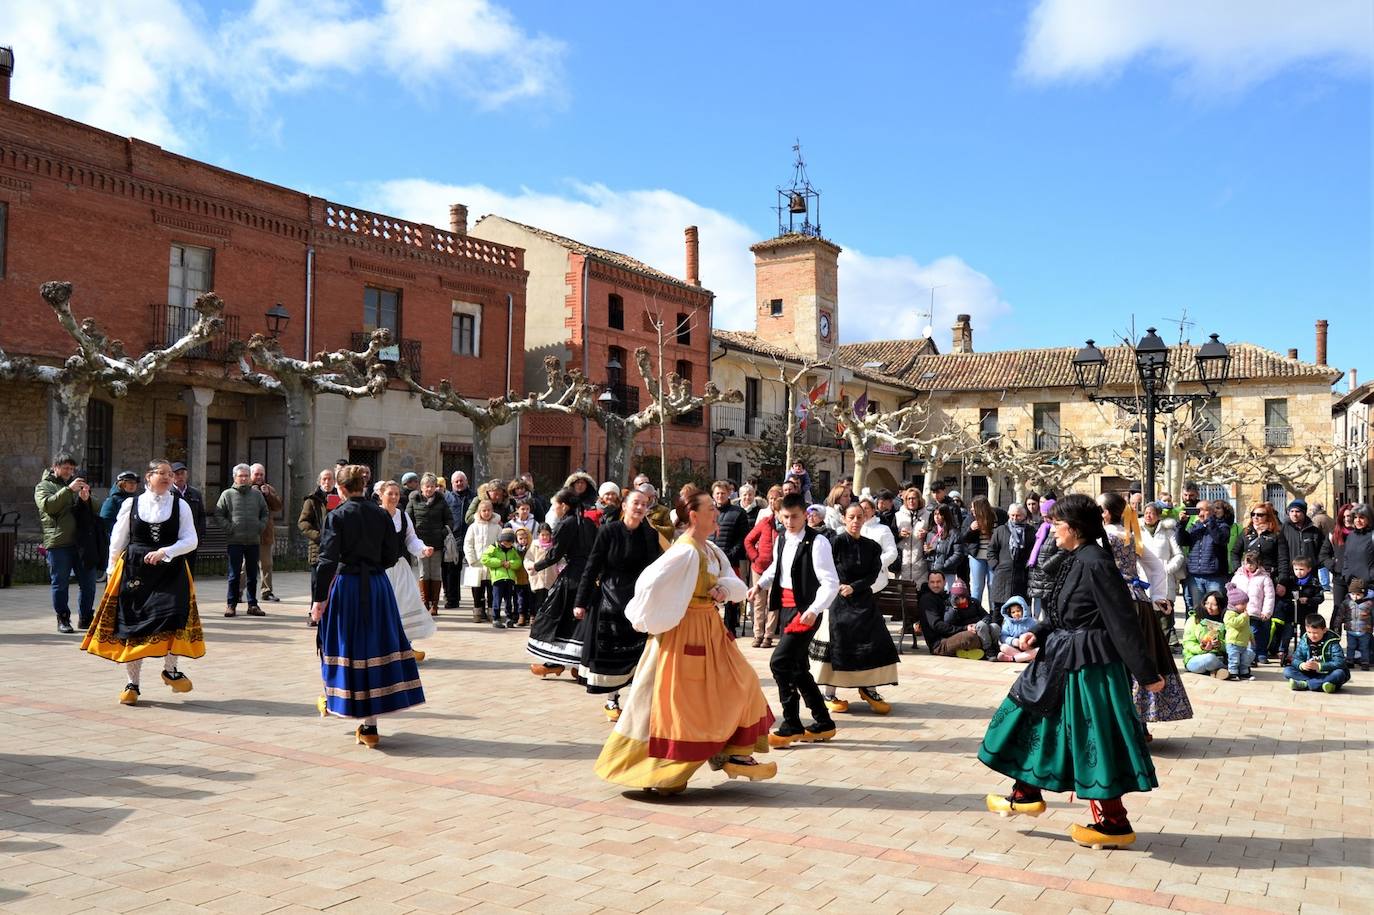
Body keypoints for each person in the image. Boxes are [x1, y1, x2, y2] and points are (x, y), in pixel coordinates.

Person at [979, 493, 1165, 850]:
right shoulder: (1075, 557)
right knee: (1037, 722)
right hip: (1060, 658)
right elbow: (1068, 610)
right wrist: (1042, 629)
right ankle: (1025, 793)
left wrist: (1146, 672)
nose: (1051, 531)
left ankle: (1113, 823)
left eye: (1057, 525)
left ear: (1075, 528)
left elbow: (1121, 621)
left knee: (1091, 740)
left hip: (1088, 667)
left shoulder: (1096, 562)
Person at [594, 488, 777, 794]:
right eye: (710, 510)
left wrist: (721, 590)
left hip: (711, 630)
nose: (716, 514)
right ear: (694, 516)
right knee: (680, 704)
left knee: (742, 682)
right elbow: (648, 583)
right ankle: (666, 770)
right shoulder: (685, 551)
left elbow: (734, 582)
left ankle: (732, 750)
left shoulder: (709, 549)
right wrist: (652, 618)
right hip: (684, 633)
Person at [310, 465, 423, 748]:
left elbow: (326, 560)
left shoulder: (337, 516)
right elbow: (390, 555)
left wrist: (318, 600)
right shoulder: (382, 515)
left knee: (344, 644)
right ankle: (370, 725)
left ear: (342, 489)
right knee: (376, 646)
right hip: (377, 586)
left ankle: (341, 701)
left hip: (348, 586)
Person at [82, 459, 203, 705]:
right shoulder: (131, 504)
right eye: (163, 473)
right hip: (136, 570)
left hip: (171, 570)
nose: (169, 477)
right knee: (134, 625)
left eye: (171, 474)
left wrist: (165, 551)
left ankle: (171, 670)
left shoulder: (181, 506)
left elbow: (191, 540)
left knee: (174, 617)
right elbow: (117, 539)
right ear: (148, 477)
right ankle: (132, 684)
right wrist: (111, 570)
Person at [752, 493, 840, 747]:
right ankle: (823, 722)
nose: (790, 522)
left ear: (806, 515)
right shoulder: (782, 539)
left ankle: (791, 723)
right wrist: (759, 585)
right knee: (798, 667)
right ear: (780, 515)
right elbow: (776, 569)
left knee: (779, 663)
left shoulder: (818, 542)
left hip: (806, 611)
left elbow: (830, 582)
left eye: (795, 517)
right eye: (786, 517)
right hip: (787, 610)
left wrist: (814, 609)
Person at [1100, 492, 1190, 734]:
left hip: (1113, 602)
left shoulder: (1103, 537)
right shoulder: (1130, 535)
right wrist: (1158, 596)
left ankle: (1119, 726)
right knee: (1139, 659)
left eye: (1099, 508)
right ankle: (1139, 725)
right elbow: (1156, 568)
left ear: (1107, 513)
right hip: (1139, 602)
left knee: (1114, 663)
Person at [574, 490, 664, 719]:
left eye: (645, 504)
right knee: (611, 652)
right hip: (610, 599)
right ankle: (612, 700)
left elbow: (657, 569)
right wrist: (581, 601)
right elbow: (592, 566)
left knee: (639, 653)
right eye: (636, 503)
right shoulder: (608, 531)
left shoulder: (649, 534)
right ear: (624, 505)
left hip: (639, 599)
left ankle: (638, 703)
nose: (640, 507)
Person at [812, 503, 899, 715]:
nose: (855, 521)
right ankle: (828, 693)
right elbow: (825, 569)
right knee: (836, 641)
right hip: (838, 600)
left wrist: (855, 587)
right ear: (844, 518)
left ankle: (869, 689)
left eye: (859, 517)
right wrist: (839, 586)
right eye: (851, 517)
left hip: (863, 599)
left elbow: (873, 574)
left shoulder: (872, 546)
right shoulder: (835, 542)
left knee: (875, 639)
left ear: (865, 518)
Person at [527, 488, 598, 677]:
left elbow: (555, 554)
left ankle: (554, 663)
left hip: (573, 576)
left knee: (555, 615)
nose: (554, 508)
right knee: (578, 620)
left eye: (555, 505)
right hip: (588, 576)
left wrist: (537, 565)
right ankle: (578, 665)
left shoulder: (566, 523)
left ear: (564, 505)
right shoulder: (589, 523)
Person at [36, 453, 100, 633]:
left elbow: (97, 508)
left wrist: (87, 498)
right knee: (60, 583)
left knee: (89, 583)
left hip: (82, 543)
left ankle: (86, 618)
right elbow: (48, 506)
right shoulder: (43, 486)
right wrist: (68, 490)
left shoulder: (77, 484)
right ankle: (63, 619)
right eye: (65, 468)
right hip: (58, 543)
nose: (69, 472)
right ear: (55, 467)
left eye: (72, 469)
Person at [376, 480, 436, 661]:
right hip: (380, 570)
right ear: (381, 495)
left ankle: (406, 646)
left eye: (396, 494)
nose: (394, 497)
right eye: (390, 494)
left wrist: (423, 549)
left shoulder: (402, 516)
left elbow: (411, 539)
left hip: (400, 567)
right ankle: (382, 649)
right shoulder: (375, 515)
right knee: (382, 608)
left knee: (407, 604)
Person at [215, 464, 268, 617]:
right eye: (241, 476)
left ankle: (253, 605)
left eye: (246, 475)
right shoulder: (227, 494)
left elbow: (265, 512)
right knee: (234, 575)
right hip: (235, 541)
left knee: (252, 575)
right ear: (235, 478)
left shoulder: (257, 495)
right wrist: (229, 528)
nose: (244, 478)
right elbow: (218, 514)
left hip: (253, 540)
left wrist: (260, 526)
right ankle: (231, 605)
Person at [406, 473, 453, 617]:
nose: (430, 489)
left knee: (435, 573)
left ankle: (435, 604)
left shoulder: (441, 501)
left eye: (432, 486)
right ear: (421, 487)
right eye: (427, 486)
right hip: (421, 544)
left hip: (437, 543)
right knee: (423, 573)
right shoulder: (414, 500)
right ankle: (424, 602)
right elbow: (408, 519)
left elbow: (449, 520)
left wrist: (442, 533)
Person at [743, 486, 783, 648]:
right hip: (759, 567)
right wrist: (755, 557)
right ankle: (757, 634)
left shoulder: (788, 527)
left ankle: (768, 635)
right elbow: (748, 540)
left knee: (772, 602)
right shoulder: (765, 523)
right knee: (759, 601)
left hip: (777, 569)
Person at [708, 480, 750, 635]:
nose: (720, 496)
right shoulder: (708, 511)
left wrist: (730, 555)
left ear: (729, 494)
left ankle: (729, 628)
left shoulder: (738, 513)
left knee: (730, 595)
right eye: (717, 493)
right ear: (713, 495)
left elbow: (742, 538)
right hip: (710, 559)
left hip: (730, 560)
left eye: (723, 493)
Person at [298, 468, 339, 627]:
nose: (327, 482)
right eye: (324, 479)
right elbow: (303, 523)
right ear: (319, 481)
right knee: (317, 583)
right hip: (318, 547)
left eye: (330, 479)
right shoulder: (312, 499)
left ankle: (331, 614)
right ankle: (314, 614)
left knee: (335, 583)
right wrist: (319, 537)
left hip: (337, 547)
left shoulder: (341, 497)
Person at [1176, 499, 1230, 613]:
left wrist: (1209, 522)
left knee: (1216, 609)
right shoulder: (1195, 526)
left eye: (1202, 510)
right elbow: (1182, 541)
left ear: (1211, 511)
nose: (1199, 513)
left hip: (1215, 576)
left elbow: (1220, 539)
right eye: (1197, 510)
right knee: (1199, 609)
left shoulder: (1222, 526)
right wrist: (1182, 524)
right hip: (1195, 576)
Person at [916, 570, 985, 658]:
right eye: (932, 582)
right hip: (939, 644)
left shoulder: (947, 597)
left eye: (938, 582)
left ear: (945, 582)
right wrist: (964, 628)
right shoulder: (927, 600)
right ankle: (979, 650)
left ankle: (967, 652)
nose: (935, 585)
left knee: (985, 630)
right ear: (928, 583)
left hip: (951, 636)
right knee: (970, 637)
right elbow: (937, 625)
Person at [1231, 548, 1276, 664]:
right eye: (1247, 563)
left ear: (1258, 564)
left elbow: (1269, 597)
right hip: (1240, 612)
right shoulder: (1237, 576)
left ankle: (1257, 654)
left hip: (1255, 611)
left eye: (1252, 563)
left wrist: (1267, 611)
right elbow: (1231, 593)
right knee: (1243, 634)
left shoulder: (1265, 578)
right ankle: (1249, 656)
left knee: (1254, 633)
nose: (1249, 566)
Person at [1284, 614, 1349, 693]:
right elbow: (1295, 658)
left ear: (1324, 630)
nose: (1312, 635)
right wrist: (1302, 665)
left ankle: (1305, 684)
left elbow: (1340, 662)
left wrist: (1319, 666)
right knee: (1287, 671)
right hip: (1309, 673)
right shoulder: (1304, 640)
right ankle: (1322, 685)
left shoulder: (1332, 642)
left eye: (1315, 633)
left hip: (1327, 673)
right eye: (1309, 632)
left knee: (1339, 673)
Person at [987, 503, 1033, 609]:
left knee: (1020, 611)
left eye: (1018, 515)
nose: (1015, 518)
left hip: (1021, 578)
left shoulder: (1030, 531)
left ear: (1024, 516)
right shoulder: (1000, 530)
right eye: (1012, 515)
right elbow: (991, 550)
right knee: (998, 612)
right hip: (1002, 577)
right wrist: (995, 566)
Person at [462, 500, 501, 623]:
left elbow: (500, 545)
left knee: (491, 589)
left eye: (489, 510)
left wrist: (496, 560)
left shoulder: (497, 527)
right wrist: (472, 560)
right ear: (479, 512)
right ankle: (477, 611)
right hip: (477, 564)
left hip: (492, 564)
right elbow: (468, 544)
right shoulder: (473, 527)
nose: (486, 513)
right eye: (484, 510)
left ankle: (491, 612)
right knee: (477, 589)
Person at [249, 464, 283, 602]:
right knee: (245, 566)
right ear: (251, 475)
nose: (259, 477)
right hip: (250, 534)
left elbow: (278, 506)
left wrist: (268, 495)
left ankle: (267, 591)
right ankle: (238, 591)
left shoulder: (269, 489)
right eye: (256, 474)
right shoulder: (246, 489)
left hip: (266, 534)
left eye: (261, 474)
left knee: (267, 565)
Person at [442, 471, 475, 609]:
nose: (459, 483)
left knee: (473, 568)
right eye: (456, 481)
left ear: (466, 481)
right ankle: (452, 599)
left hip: (470, 537)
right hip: (453, 537)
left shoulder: (474, 497)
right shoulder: (447, 498)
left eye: (461, 481)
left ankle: (478, 602)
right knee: (451, 569)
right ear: (452, 484)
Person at [1181, 590, 1230, 678]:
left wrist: (1220, 645)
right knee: (1209, 658)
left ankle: (1215, 671)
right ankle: (1226, 670)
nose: (1209, 607)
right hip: (1195, 658)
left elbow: (1232, 643)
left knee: (1248, 654)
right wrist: (1202, 648)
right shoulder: (1194, 619)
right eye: (1207, 603)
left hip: (1219, 657)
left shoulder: (1227, 620)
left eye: (1214, 605)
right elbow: (1188, 643)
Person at [482, 528, 523, 629]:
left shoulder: (513, 550)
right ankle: (496, 618)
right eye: (506, 543)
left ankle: (509, 618)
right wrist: (500, 562)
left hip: (509, 579)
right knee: (497, 600)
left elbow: (518, 562)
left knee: (509, 600)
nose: (508, 545)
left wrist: (510, 564)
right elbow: (485, 559)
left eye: (510, 543)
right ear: (501, 541)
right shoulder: (494, 548)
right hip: (498, 579)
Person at [170, 462, 207, 575]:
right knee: (174, 571)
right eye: (177, 474)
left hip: (190, 538)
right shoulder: (168, 493)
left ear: (186, 475)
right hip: (173, 540)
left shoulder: (195, 493)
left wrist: (199, 534)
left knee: (189, 571)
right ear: (171, 476)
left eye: (182, 474)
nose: (180, 477)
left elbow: (201, 515)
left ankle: (189, 592)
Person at [1330, 577, 1371, 671]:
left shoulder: (1369, 604)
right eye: (1353, 594)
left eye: (1358, 594)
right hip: (1351, 630)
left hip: (1365, 630)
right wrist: (1337, 625)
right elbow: (1340, 615)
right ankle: (1349, 660)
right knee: (1350, 646)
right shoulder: (1346, 603)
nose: (1355, 597)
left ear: (1364, 594)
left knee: (1364, 647)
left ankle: (1365, 662)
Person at [962, 496, 997, 604]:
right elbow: (962, 537)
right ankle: (976, 612)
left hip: (993, 557)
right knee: (977, 587)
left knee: (993, 585)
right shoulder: (970, 519)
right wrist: (970, 529)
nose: (972, 510)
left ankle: (993, 613)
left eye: (974, 508)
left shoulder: (996, 516)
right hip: (976, 557)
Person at [523, 523, 557, 625]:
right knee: (537, 599)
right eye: (542, 535)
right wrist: (531, 566)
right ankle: (536, 618)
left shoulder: (554, 545)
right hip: (537, 577)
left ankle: (547, 620)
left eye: (547, 534)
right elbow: (527, 559)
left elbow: (560, 559)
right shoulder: (535, 544)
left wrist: (560, 568)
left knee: (549, 599)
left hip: (551, 576)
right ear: (538, 535)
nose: (545, 537)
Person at [924, 504, 966, 584]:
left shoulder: (954, 533)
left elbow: (958, 554)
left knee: (947, 594)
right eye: (935, 514)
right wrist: (927, 551)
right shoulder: (931, 533)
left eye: (939, 514)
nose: (936, 517)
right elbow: (927, 554)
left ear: (945, 515)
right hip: (933, 573)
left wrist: (944, 565)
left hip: (947, 573)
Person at [1222, 582, 1255, 680]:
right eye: (1243, 604)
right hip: (1233, 642)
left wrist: (1251, 637)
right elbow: (1235, 623)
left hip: (1243, 642)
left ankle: (1244, 672)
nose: (1245, 606)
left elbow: (1247, 628)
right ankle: (1232, 673)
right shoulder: (1229, 614)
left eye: (1246, 603)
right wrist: (1243, 616)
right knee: (1234, 659)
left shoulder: (1243, 615)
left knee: (1244, 659)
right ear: (1234, 604)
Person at [994, 597, 1037, 663]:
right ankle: (1028, 658)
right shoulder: (1008, 623)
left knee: (1038, 650)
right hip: (1015, 647)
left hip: (1028, 647)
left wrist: (1030, 641)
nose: (1016, 614)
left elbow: (1037, 634)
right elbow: (1003, 637)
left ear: (1024, 610)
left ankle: (1014, 658)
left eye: (1018, 611)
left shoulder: (1031, 621)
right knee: (1003, 647)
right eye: (1013, 612)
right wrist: (1014, 641)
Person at [100, 471, 141, 536]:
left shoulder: (138, 500)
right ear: (121, 484)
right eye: (130, 482)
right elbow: (105, 521)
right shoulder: (112, 500)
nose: (133, 485)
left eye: (135, 483)